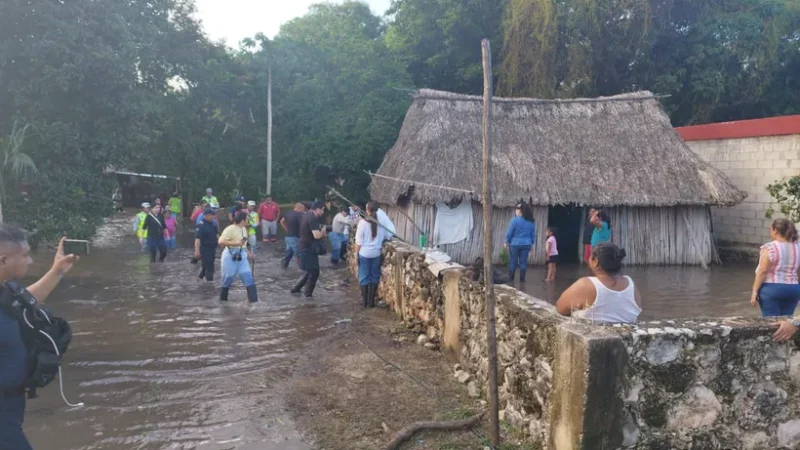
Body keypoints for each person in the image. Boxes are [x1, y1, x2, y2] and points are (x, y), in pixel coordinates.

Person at [0, 230, 78, 450]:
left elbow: (25, 301)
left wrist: (57, 271)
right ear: (3, 260)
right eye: (25, 255)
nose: (30, 260)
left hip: (13, 402)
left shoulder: (6, 290)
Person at [556, 243, 641, 324]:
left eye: (590, 257)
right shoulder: (630, 283)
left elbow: (560, 308)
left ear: (595, 261)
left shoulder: (586, 284)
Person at [750, 219, 800, 317]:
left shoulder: (769, 247)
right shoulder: (798, 247)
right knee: (787, 323)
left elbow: (763, 271)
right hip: (793, 289)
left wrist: (754, 291)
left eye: (771, 229)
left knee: (771, 323)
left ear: (775, 230)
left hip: (772, 289)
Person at [218, 211, 258, 302]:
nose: (248, 221)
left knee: (249, 279)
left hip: (242, 256)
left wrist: (249, 254)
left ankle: (254, 303)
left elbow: (243, 245)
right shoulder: (230, 229)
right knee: (227, 281)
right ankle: (223, 304)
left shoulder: (244, 229)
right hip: (229, 256)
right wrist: (235, 243)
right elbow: (220, 241)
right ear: (243, 220)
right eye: (247, 219)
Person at [291, 201, 326, 297]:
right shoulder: (312, 218)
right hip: (307, 250)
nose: (323, 212)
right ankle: (308, 295)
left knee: (309, 271)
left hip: (304, 248)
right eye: (322, 210)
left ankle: (295, 290)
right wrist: (323, 231)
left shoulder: (306, 215)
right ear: (317, 209)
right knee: (314, 272)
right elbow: (317, 235)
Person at [355, 202, 387, 307]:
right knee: (374, 276)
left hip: (364, 253)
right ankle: (372, 302)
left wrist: (356, 255)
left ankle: (364, 303)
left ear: (367, 210)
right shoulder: (381, 224)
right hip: (376, 253)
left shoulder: (362, 223)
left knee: (364, 276)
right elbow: (386, 237)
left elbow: (358, 242)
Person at [504, 203, 536, 282]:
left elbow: (509, 233)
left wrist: (506, 242)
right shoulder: (531, 221)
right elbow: (533, 234)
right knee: (523, 263)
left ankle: (511, 280)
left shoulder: (514, 220)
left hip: (514, 244)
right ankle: (522, 280)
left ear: (520, 211)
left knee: (513, 262)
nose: (515, 211)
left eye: (516, 209)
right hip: (526, 244)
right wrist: (531, 243)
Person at [195, 208, 219, 282]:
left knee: (206, 265)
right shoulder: (201, 225)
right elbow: (197, 239)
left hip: (212, 248)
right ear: (207, 215)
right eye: (212, 215)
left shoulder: (213, 224)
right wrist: (197, 251)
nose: (214, 217)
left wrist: (221, 243)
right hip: (205, 248)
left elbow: (217, 234)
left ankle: (199, 279)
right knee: (210, 267)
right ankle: (209, 284)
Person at [280, 203, 306, 270]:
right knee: (300, 253)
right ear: (299, 208)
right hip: (295, 237)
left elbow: (282, 221)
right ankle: (303, 269)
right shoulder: (299, 215)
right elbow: (303, 226)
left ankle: (283, 266)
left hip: (288, 237)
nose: (304, 211)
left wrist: (286, 229)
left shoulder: (288, 213)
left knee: (289, 253)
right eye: (303, 209)